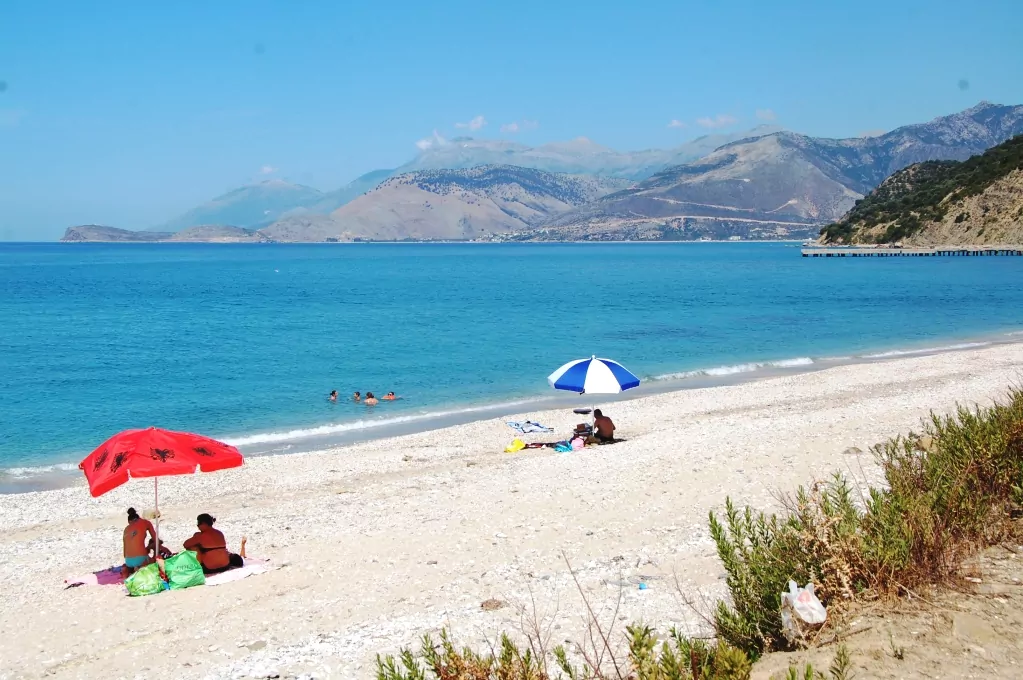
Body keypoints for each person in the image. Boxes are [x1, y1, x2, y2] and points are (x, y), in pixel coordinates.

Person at [122, 507, 156, 577]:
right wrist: (150, 547)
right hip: (141, 559)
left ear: (129, 521)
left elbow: (124, 553)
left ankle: (133, 569)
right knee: (156, 559)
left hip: (128, 561)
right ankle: (140, 566)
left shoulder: (126, 529)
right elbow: (156, 540)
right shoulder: (146, 522)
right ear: (138, 518)